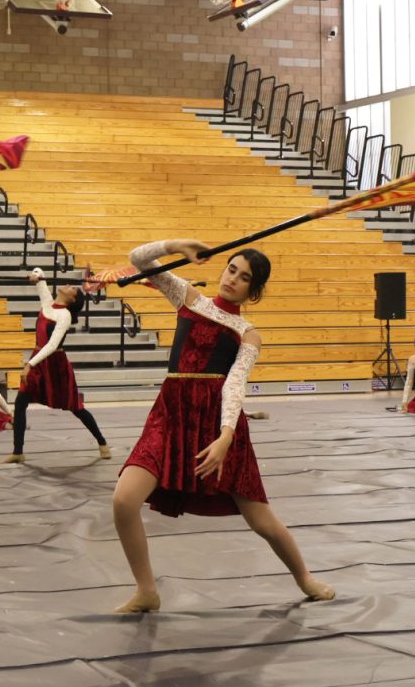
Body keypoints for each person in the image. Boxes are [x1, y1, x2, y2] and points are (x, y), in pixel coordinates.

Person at [112, 239, 335, 613]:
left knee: (261, 520)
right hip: (171, 414)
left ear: (254, 290)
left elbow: (234, 385)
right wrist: (179, 246)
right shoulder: (188, 297)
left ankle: (304, 578)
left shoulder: (248, 333)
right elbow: (137, 258)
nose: (233, 279)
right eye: (231, 269)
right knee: (123, 500)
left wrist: (225, 437)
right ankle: (147, 590)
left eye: (244, 277)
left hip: (218, 424)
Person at [2, 267, 108, 464]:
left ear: (72, 300)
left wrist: (29, 364)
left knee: (75, 407)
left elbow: (52, 345)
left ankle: (101, 442)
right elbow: (40, 274)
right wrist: (36, 276)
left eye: (72, 289)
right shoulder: (48, 304)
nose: (67, 286)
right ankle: (18, 451)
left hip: (55, 365)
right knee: (20, 402)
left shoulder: (65, 316)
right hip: (38, 359)